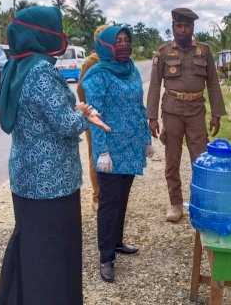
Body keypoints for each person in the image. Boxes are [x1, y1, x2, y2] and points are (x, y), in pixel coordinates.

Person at [0, 6, 109, 305]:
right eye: (55, 29)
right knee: (54, 255)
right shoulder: (41, 71)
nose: (61, 36)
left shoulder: (16, 66)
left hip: (26, 177)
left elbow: (38, 115)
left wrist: (71, 113)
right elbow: (66, 124)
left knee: (32, 249)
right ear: (41, 35)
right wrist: (86, 115)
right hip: (52, 182)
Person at [81, 26, 153, 283]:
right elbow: (93, 115)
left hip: (131, 147)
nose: (123, 45)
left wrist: (146, 138)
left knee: (122, 199)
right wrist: (101, 152)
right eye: (117, 41)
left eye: (127, 40)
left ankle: (118, 241)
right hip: (110, 149)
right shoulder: (96, 75)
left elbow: (138, 105)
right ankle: (106, 257)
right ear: (105, 45)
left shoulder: (131, 68)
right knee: (109, 203)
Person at [146, 7, 226, 222]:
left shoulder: (204, 51)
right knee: (172, 160)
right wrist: (152, 117)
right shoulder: (163, 53)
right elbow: (155, 86)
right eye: (178, 25)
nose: (182, 30)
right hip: (171, 111)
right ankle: (175, 204)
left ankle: (200, 203)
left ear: (192, 28)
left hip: (196, 112)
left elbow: (213, 84)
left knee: (200, 160)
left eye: (187, 26)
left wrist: (217, 113)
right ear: (173, 27)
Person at [77, 24, 109, 212]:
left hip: (111, 115)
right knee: (95, 153)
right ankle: (97, 196)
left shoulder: (116, 60)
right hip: (94, 115)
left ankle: (109, 192)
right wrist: (89, 111)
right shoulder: (91, 61)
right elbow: (81, 87)